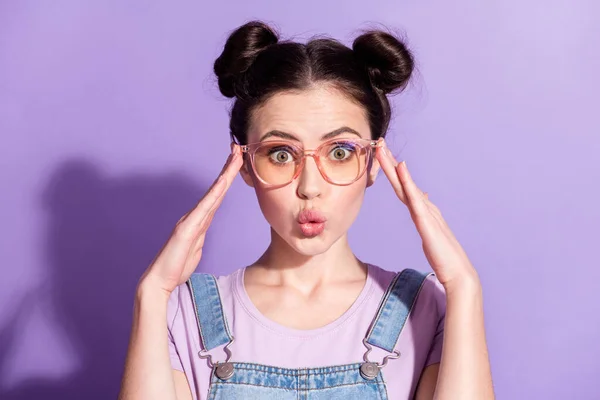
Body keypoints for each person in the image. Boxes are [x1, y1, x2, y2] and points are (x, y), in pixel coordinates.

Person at [118, 20, 494, 400]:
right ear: (245, 164)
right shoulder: (185, 314)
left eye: (341, 152)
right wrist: (151, 294)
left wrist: (464, 286)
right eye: (281, 154)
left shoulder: (426, 309)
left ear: (375, 161)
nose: (309, 187)